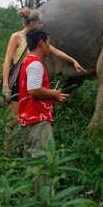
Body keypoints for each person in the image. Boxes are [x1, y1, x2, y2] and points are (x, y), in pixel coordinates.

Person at [1, 7, 84, 120]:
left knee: (29, 110)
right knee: (13, 116)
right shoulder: (16, 37)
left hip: (32, 75)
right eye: (39, 23)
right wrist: (5, 84)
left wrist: (73, 60)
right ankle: (8, 136)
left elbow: (55, 51)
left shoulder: (37, 39)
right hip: (19, 76)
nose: (41, 25)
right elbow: (7, 60)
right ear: (31, 23)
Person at [18, 28, 68, 159]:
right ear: (41, 43)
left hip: (29, 118)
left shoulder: (28, 62)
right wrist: (53, 93)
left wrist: (52, 96)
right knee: (42, 160)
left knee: (31, 161)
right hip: (37, 120)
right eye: (48, 43)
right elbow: (33, 90)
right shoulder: (35, 64)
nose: (49, 47)